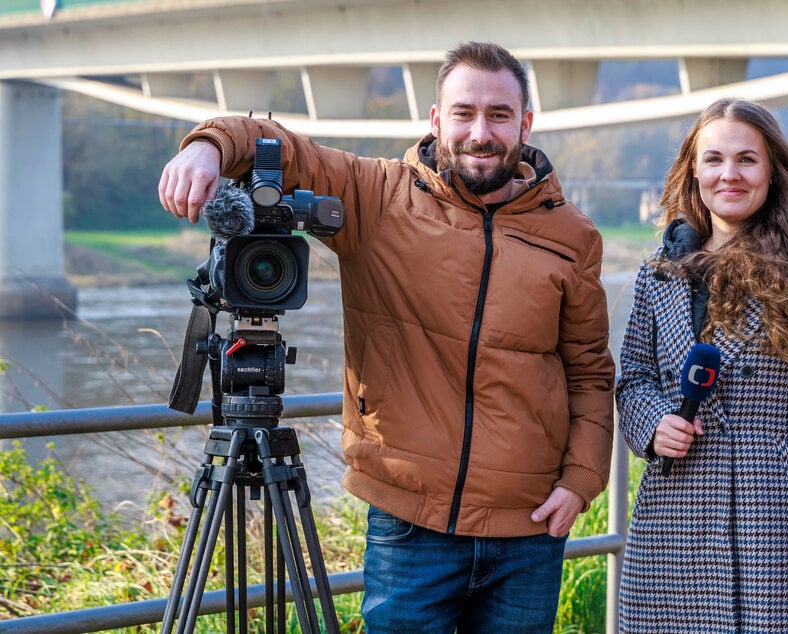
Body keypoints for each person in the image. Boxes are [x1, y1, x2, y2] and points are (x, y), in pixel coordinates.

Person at [159, 41, 615, 632]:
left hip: (527, 530)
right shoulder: (377, 197)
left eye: (500, 115)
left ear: (525, 124)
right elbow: (278, 144)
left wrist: (581, 482)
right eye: (464, 113)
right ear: (435, 120)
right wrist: (207, 145)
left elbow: (589, 372)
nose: (481, 132)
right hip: (409, 529)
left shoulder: (572, 236)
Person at [615, 98, 788, 633]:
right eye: (713, 159)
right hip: (674, 521)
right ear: (693, 170)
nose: (728, 174)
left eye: (746, 159)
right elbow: (633, 379)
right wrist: (654, 422)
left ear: (773, 170)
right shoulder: (659, 270)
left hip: (782, 522)